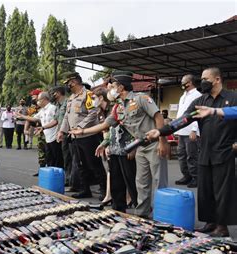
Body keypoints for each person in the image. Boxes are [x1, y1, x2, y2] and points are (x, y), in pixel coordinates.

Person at [147, 67, 237, 237]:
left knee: (222, 192)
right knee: (206, 190)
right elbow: (183, 120)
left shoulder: (232, 98)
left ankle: (222, 226)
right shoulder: (201, 100)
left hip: (224, 152)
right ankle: (210, 222)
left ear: (217, 80)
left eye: (205, 78)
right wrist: (161, 131)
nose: (202, 81)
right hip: (205, 151)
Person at [70, 70, 169, 218]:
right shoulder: (118, 107)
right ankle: (142, 214)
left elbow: (158, 117)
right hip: (140, 146)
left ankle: (165, 215)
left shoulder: (142, 99)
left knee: (159, 182)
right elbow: (105, 124)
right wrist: (82, 131)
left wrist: (162, 141)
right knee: (141, 183)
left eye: (112, 86)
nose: (110, 89)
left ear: (121, 87)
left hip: (154, 144)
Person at [57, 72, 107, 200]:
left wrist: (80, 127)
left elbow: (94, 113)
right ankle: (85, 189)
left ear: (74, 82)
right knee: (80, 165)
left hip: (88, 136)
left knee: (94, 164)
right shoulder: (71, 98)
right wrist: (62, 132)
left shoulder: (88, 95)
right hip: (75, 137)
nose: (68, 85)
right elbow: (67, 117)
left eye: (68, 83)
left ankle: (104, 190)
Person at [94, 86, 138, 212]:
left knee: (131, 181)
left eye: (112, 87)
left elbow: (135, 128)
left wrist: (134, 146)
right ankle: (118, 208)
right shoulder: (114, 107)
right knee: (116, 182)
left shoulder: (131, 104)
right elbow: (111, 130)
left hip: (126, 148)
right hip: (114, 149)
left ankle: (140, 209)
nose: (110, 91)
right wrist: (105, 143)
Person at [17, 92, 63, 167]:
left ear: (44, 100)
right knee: (50, 159)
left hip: (55, 138)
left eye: (39, 100)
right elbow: (34, 118)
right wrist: (22, 116)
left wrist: (43, 127)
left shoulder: (52, 108)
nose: (37, 102)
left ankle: (59, 177)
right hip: (48, 138)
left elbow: (56, 121)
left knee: (57, 160)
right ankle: (51, 176)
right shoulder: (42, 110)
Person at [174, 74, 202, 188]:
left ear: (189, 82)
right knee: (181, 155)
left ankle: (196, 177)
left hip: (191, 130)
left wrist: (194, 130)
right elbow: (180, 114)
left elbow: (197, 113)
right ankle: (186, 176)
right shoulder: (183, 96)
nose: (181, 83)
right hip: (181, 130)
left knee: (192, 155)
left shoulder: (198, 95)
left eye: (183, 81)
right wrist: (175, 129)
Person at [51, 85, 72, 185]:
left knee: (69, 158)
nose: (53, 95)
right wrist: (43, 127)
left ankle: (70, 179)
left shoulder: (68, 102)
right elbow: (56, 120)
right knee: (65, 157)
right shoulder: (58, 105)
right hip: (61, 134)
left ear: (58, 93)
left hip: (68, 134)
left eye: (54, 93)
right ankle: (68, 178)